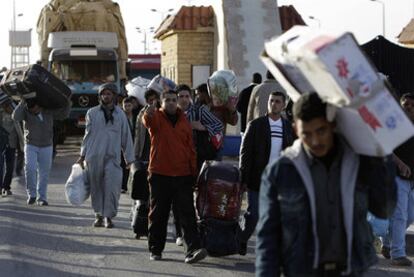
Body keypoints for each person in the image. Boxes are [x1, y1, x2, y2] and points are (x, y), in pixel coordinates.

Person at [256, 92, 396, 276]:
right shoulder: (281, 172)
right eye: (306, 133)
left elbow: (385, 209)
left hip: (352, 270)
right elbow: (268, 239)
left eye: (321, 131)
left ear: (333, 125)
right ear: (296, 130)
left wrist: (379, 156)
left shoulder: (358, 162)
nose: (315, 141)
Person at [143, 89, 207, 264]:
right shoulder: (156, 117)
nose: (171, 102)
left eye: (174, 99)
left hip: (182, 175)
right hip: (159, 174)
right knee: (158, 214)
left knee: (187, 214)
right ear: (162, 103)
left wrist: (193, 172)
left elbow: (190, 149)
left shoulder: (184, 121)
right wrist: (148, 112)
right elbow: (147, 122)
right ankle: (156, 249)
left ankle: (192, 250)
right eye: (168, 100)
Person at [238, 91, 294, 255]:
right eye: (271, 101)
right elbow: (245, 152)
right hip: (257, 178)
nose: (274, 104)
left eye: (277, 101)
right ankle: (241, 238)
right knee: (254, 214)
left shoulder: (288, 128)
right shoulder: (256, 125)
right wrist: (243, 177)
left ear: (283, 105)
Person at [77, 83, 134, 228]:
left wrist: (129, 159)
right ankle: (98, 216)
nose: (106, 96)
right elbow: (87, 136)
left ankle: (109, 216)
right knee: (96, 187)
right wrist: (82, 155)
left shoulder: (120, 114)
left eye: (109, 94)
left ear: (114, 96)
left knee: (112, 186)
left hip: (112, 157)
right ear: (100, 96)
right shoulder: (92, 113)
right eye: (104, 94)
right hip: (94, 156)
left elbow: (126, 136)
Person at [12, 97, 71, 206]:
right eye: (30, 109)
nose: (32, 111)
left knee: (44, 173)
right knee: (30, 168)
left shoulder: (48, 111)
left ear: (39, 106)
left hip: (47, 145)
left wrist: (68, 103)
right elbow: (15, 117)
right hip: (31, 145)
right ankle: (32, 194)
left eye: (34, 109)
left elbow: (64, 115)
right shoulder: (25, 111)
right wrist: (22, 102)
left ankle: (42, 197)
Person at [381, 93, 414, 266]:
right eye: (404, 104)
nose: (407, 107)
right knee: (400, 216)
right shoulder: (393, 125)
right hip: (397, 177)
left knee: (409, 217)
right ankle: (398, 254)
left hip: (412, 181)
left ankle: (386, 242)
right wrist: (400, 164)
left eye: (411, 104)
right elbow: (385, 148)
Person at [177, 84, 223, 170]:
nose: (184, 99)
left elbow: (219, 125)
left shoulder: (199, 110)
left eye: (187, 96)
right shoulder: (172, 113)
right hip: (177, 156)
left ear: (190, 97)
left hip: (197, 156)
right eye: (181, 96)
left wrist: (203, 127)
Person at [0, 103, 21, 196]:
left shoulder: (15, 116)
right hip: (1, 144)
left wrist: (23, 145)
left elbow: (19, 131)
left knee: (10, 166)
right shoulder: (1, 114)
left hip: (11, 144)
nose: (9, 108)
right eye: (7, 106)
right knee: (1, 166)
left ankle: (6, 186)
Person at [120, 96, 136, 193]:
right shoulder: (121, 117)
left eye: (129, 105)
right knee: (124, 165)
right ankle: (124, 186)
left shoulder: (136, 116)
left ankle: (133, 185)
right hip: (123, 144)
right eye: (125, 106)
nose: (127, 108)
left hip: (134, 143)